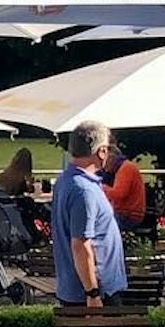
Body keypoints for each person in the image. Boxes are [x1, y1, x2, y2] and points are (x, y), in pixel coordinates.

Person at [50, 121, 127, 307]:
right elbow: (81, 245)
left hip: (77, 290)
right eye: (108, 148)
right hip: (93, 294)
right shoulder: (84, 190)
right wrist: (92, 293)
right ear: (101, 151)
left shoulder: (66, 181)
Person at [102, 142, 148, 231]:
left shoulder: (126, 169)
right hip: (127, 213)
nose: (103, 167)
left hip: (128, 215)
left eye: (104, 161)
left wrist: (102, 188)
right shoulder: (124, 167)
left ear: (111, 158)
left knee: (98, 224)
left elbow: (119, 194)